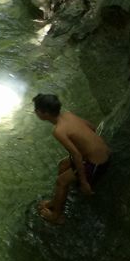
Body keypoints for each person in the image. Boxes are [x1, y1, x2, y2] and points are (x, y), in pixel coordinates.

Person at [32, 93, 110, 225]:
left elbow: (76, 155)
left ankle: (57, 215)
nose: (35, 111)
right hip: (101, 153)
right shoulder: (68, 115)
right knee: (63, 165)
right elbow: (92, 127)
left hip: (97, 163)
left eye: (36, 109)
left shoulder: (59, 131)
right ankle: (56, 201)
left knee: (61, 181)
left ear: (44, 113)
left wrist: (84, 182)